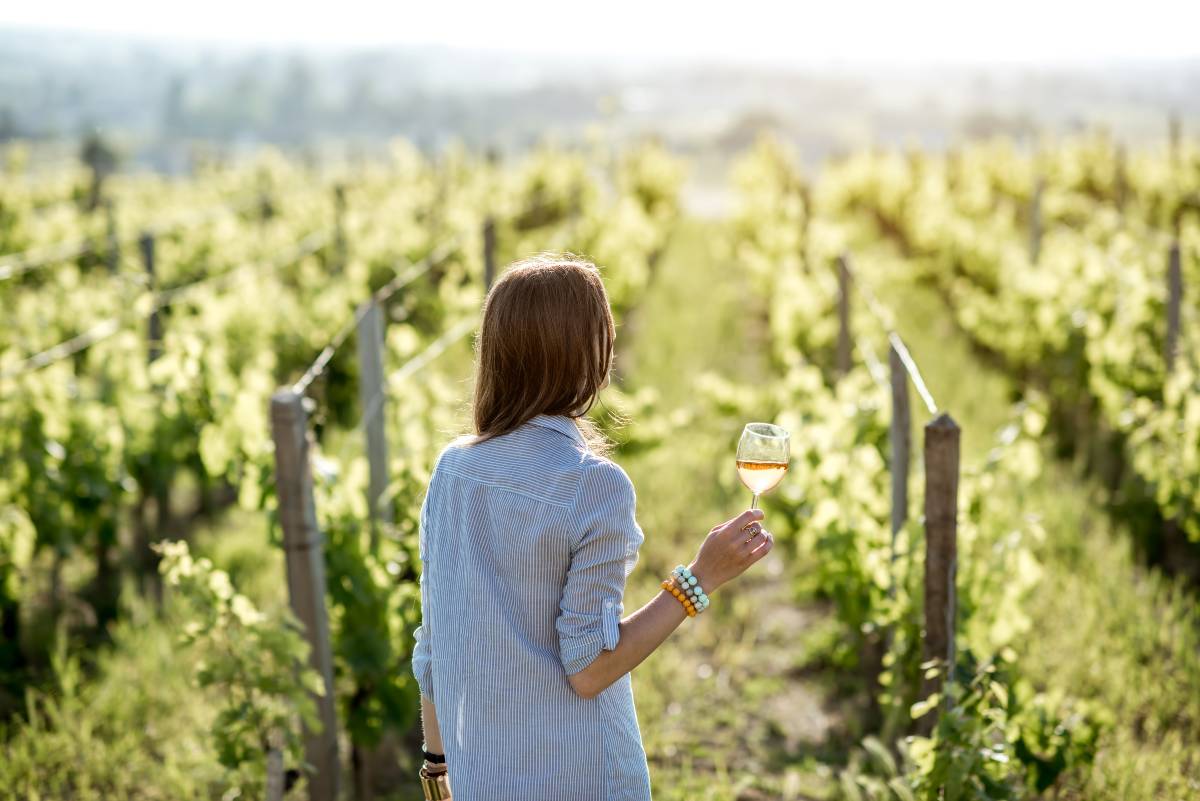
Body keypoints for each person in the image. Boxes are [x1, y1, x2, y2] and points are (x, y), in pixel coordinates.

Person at [411, 254, 774, 800]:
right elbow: (590, 668)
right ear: (589, 357)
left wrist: (438, 776)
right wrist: (700, 579)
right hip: (583, 781)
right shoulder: (594, 486)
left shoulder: (452, 472)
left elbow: (434, 647)